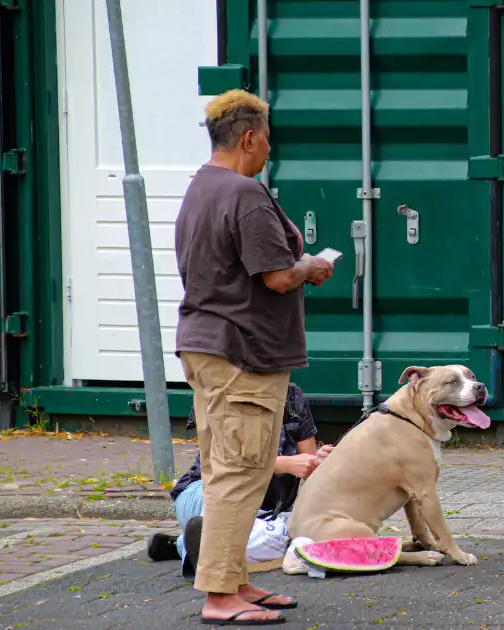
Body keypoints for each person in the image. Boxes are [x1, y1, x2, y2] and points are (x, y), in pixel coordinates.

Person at [173, 89, 334, 626]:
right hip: (243, 352)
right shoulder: (244, 193)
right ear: (248, 137)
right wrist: (308, 265)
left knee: (227, 467)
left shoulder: (201, 187)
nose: (269, 147)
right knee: (240, 473)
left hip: (207, 344)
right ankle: (220, 595)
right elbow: (276, 276)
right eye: (266, 138)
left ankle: (236, 579)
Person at [145, 383, 334, 577]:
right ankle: (206, 553)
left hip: (265, 509)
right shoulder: (221, 390)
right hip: (207, 490)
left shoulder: (292, 395)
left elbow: (307, 463)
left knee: (291, 531)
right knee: (240, 519)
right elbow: (224, 464)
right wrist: (284, 464)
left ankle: (185, 545)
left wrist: (319, 460)